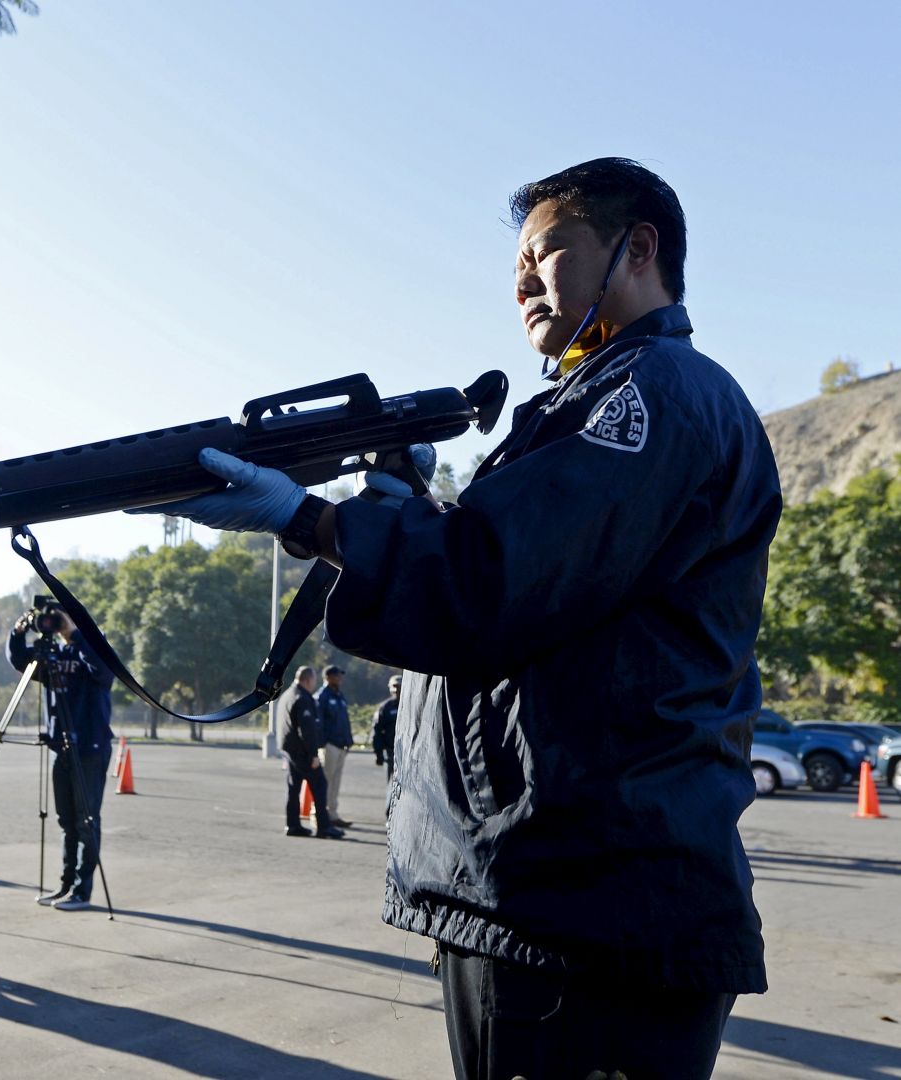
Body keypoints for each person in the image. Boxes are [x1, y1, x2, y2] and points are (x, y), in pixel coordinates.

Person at [144, 158, 780, 1079]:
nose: (521, 280)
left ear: (636, 248)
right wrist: (400, 508)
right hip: (540, 895)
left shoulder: (655, 394)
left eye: (547, 250)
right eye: (515, 261)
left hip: (591, 909)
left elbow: (485, 584)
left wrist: (309, 519)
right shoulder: (592, 398)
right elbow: (519, 578)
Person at [8, 601, 114, 911]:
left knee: (86, 820)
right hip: (61, 748)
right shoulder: (52, 655)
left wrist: (74, 633)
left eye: (60, 617)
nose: (55, 623)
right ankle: (66, 885)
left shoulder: (94, 645)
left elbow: (104, 673)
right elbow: (20, 662)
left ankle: (83, 891)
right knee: (67, 821)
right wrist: (18, 632)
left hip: (90, 748)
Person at [278, 666, 344, 839]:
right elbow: (307, 730)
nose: (314, 684)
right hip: (303, 753)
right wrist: (314, 755)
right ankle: (324, 827)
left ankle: (292, 825)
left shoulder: (287, 695)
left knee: (294, 789)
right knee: (320, 786)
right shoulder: (303, 698)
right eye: (313, 680)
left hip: (290, 751)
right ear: (308, 680)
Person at [314, 665, 354, 827]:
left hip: (341, 745)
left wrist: (348, 739)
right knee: (325, 781)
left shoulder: (339, 695)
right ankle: (319, 815)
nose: (340, 679)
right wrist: (322, 743)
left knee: (335, 782)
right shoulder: (322, 696)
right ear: (328, 677)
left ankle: (332, 814)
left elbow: (344, 720)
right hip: (329, 745)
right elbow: (318, 723)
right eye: (337, 676)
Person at [371, 674, 401, 782]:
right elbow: (377, 731)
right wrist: (378, 753)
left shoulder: (412, 705)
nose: (397, 690)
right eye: (394, 686)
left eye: (400, 686)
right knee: (393, 784)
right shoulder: (384, 707)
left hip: (410, 753)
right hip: (391, 752)